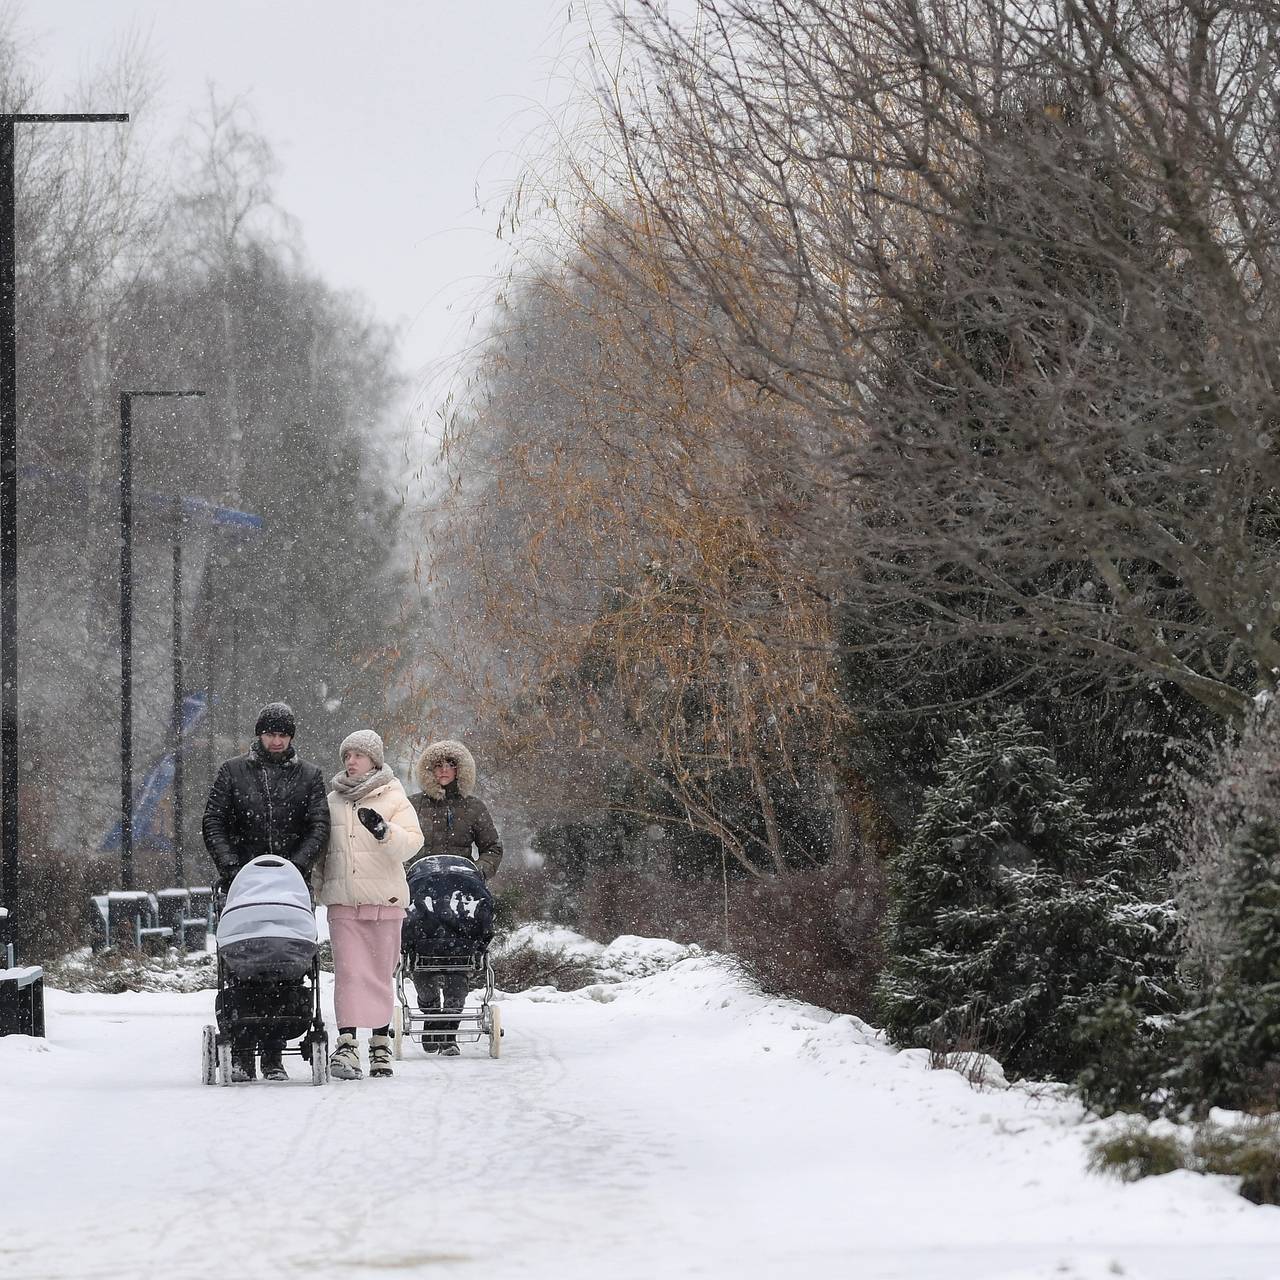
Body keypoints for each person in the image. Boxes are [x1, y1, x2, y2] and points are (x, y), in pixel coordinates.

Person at [202, 700, 330, 1083]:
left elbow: (318, 826)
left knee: (286, 966)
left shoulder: (309, 777)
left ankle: (273, 1053)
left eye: (283, 734)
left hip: (291, 885)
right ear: (259, 734)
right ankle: (242, 1050)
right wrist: (233, 868)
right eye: (271, 733)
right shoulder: (233, 773)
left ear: (291, 737)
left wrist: (295, 865)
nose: (276, 740)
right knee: (244, 966)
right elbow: (214, 822)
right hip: (241, 885)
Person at [311, 729, 422, 1081]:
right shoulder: (332, 800)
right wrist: (320, 888)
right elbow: (321, 851)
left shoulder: (393, 796)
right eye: (347, 755)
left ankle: (380, 1044)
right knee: (348, 974)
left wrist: (384, 831)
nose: (351, 761)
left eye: (358, 755)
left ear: (374, 759)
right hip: (344, 901)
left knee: (378, 976)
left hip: (385, 901)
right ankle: (346, 1045)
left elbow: (412, 843)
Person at [407, 739, 503, 1054]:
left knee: (458, 958)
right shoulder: (413, 805)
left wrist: (479, 872)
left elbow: (492, 847)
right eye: (438, 765)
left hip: (462, 897)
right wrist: (404, 872)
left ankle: (448, 1028)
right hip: (423, 896)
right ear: (429, 770)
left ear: (460, 770)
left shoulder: (473, 807)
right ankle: (429, 1008)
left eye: (450, 765)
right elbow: (399, 845)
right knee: (422, 955)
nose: (444, 770)